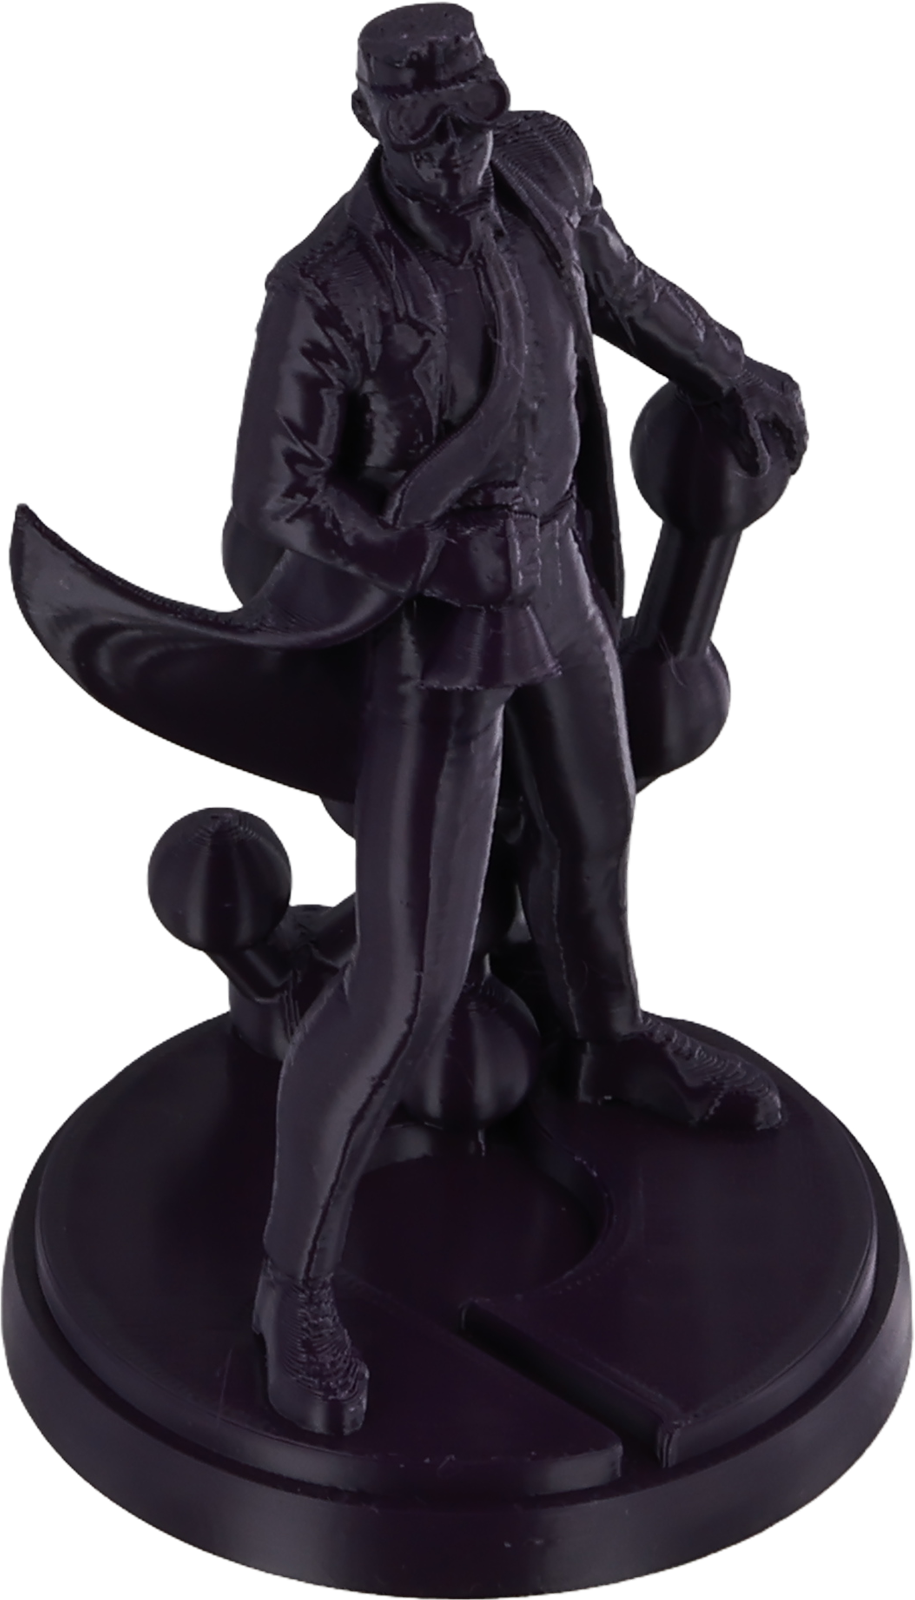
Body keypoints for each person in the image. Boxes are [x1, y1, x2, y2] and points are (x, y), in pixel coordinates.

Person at [165, 5, 816, 1435]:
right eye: (429, 135)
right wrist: (424, 560)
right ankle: (292, 1287)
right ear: (374, 126)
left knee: (595, 823)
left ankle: (609, 1039)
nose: (459, 156)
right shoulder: (326, 286)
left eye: (473, 116)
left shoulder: (542, 168)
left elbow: (626, 291)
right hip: (435, 635)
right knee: (406, 982)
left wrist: (733, 369)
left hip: (557, 571)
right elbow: (275, 501)